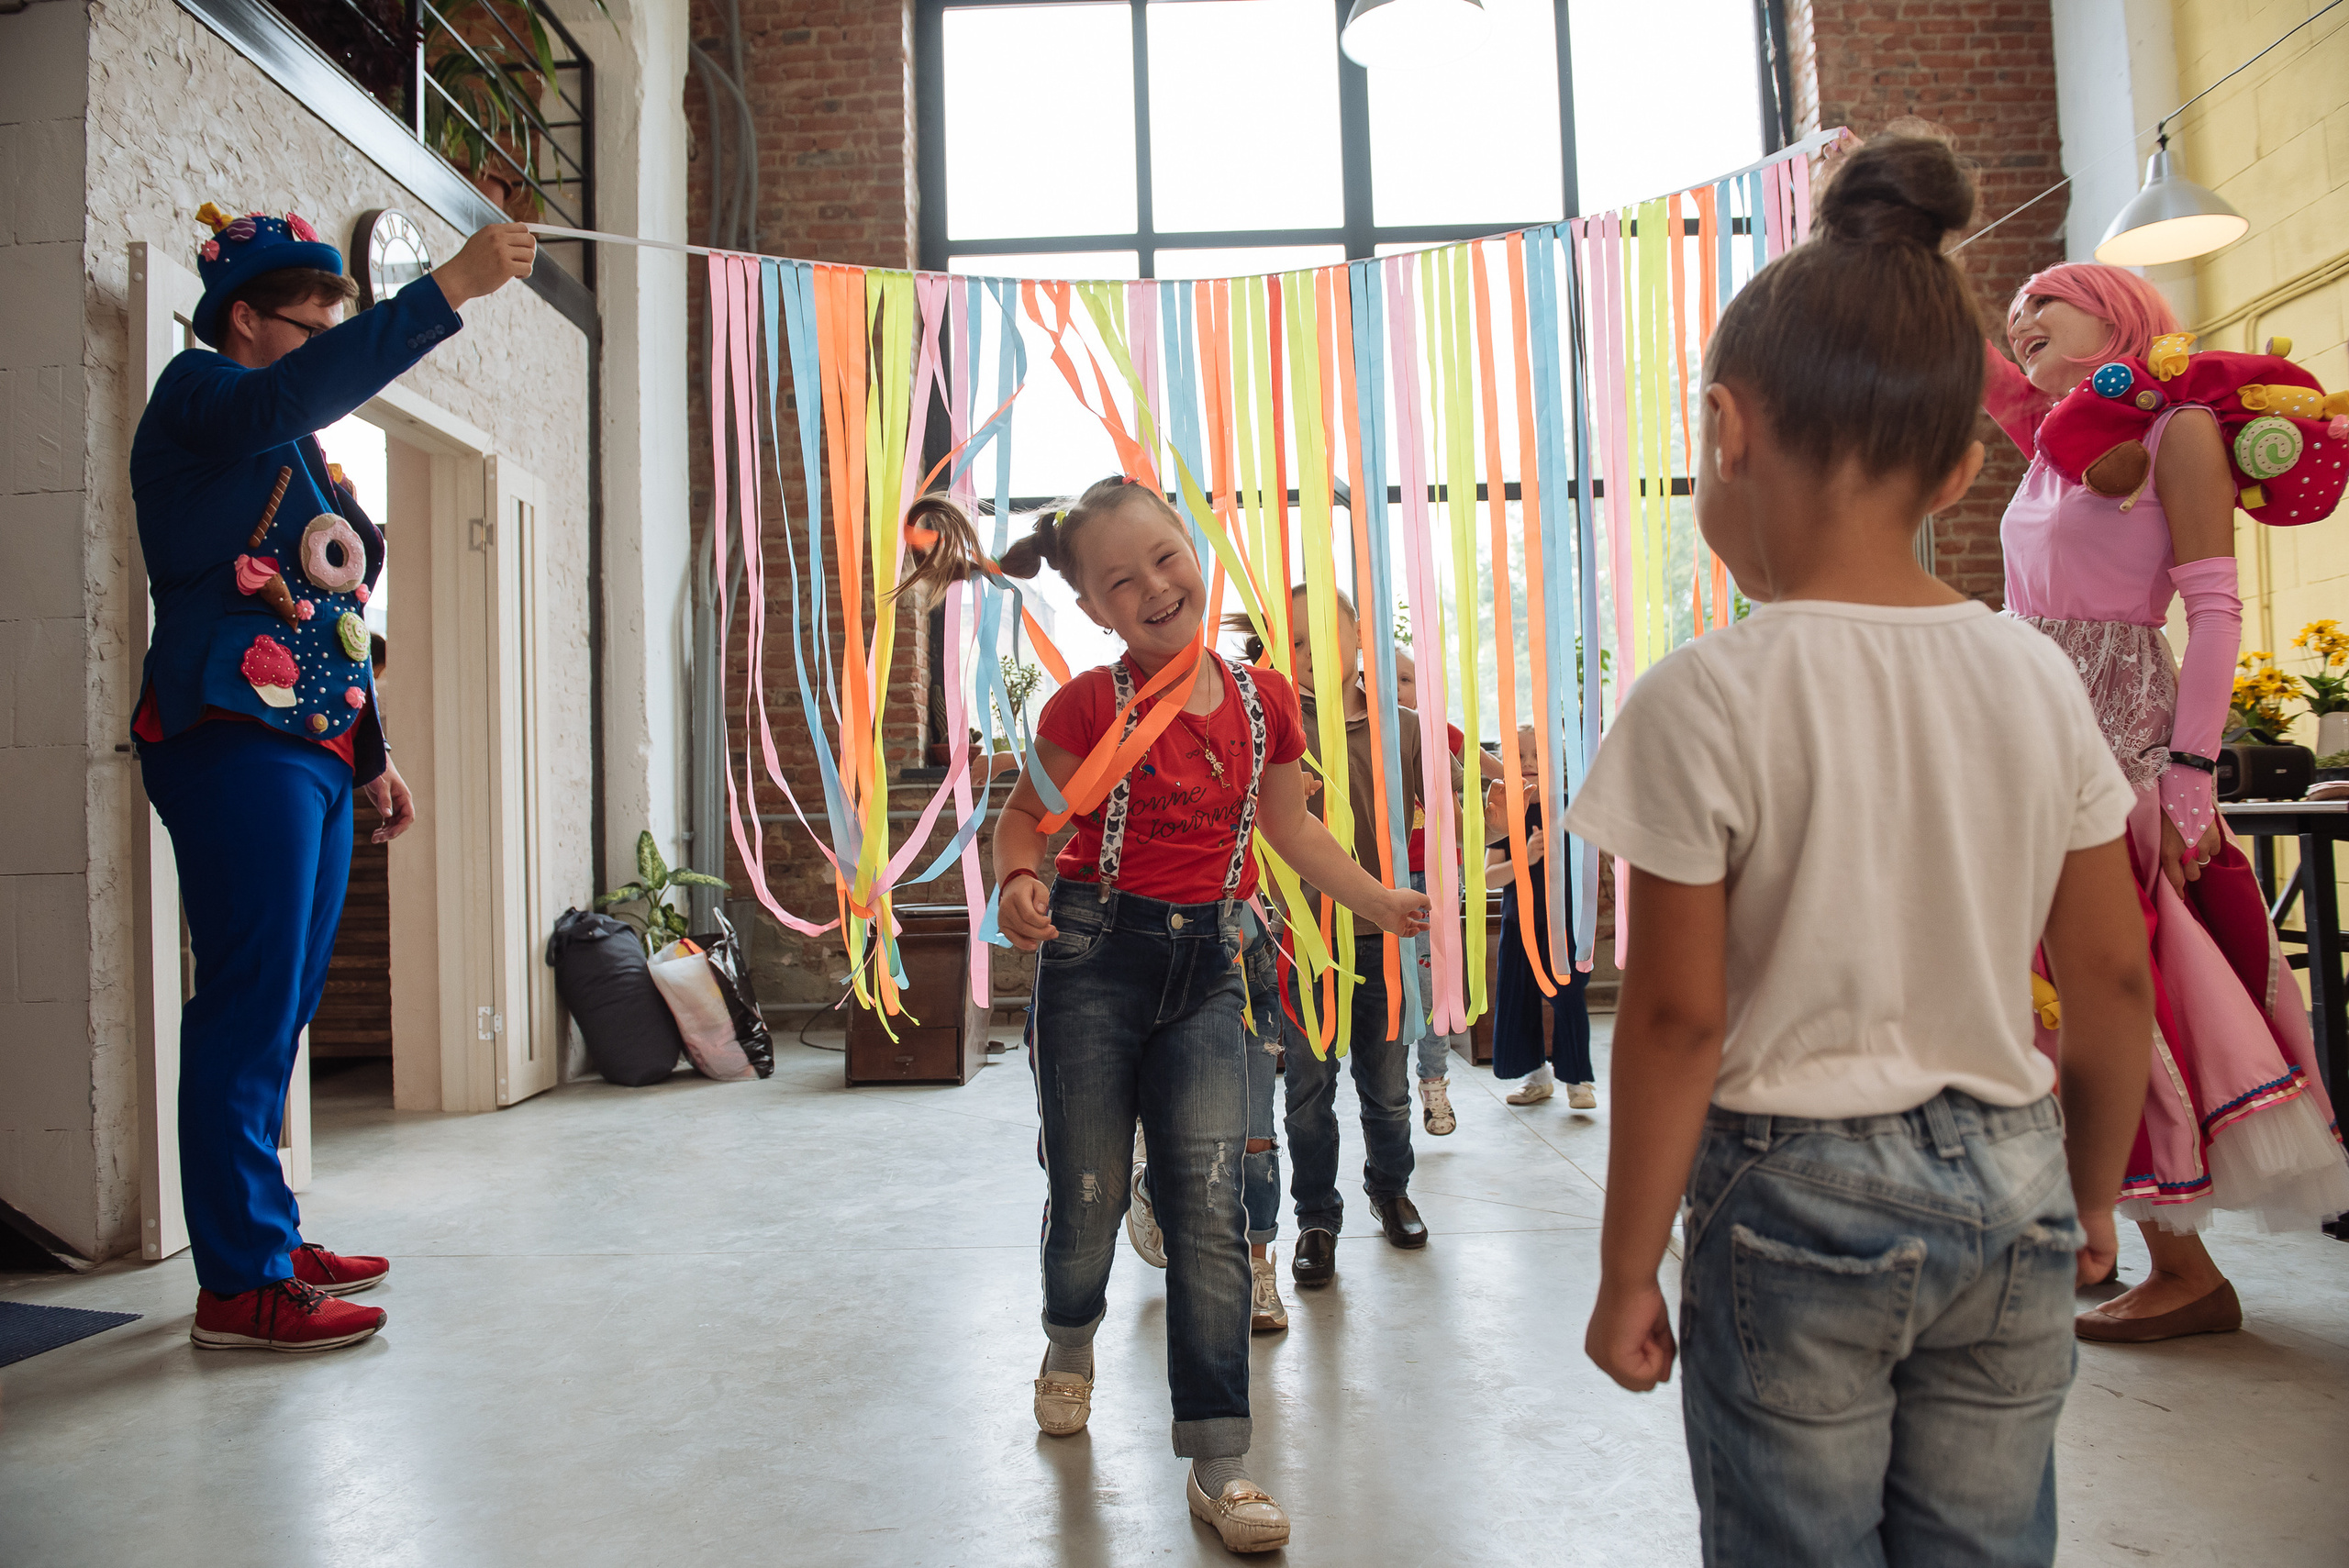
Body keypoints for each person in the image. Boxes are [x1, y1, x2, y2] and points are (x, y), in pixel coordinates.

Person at [1571, 135, 2155, 1565]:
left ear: (1725, 430)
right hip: (2016, 1177)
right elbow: (2111, 977)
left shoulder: (1703, 694)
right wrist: (2089, 1193)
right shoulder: (2033, 676)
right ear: (1962, 466)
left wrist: (1625, 1264)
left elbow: (1675, 1015)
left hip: (1797, 1199)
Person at [904, 476, 1428, 1555]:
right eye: (1119, 579)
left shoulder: (1264, 700)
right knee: (1088, 1195)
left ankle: (1222, 1460)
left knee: (1210, 1207)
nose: (1152, 586)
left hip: (1211, 967)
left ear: (1196, 551)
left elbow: (1291, 828)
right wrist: (1014, 881)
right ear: (1094, 608)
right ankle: (1068, 1338)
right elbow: (1022, 816)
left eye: (1165, 557)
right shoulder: (1085, 708)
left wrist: (1373, 897)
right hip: (1095, 959)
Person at [131, 203, 536, 1353]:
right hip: (228, 730)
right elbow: (286, 399)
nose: (319, 340)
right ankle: (241, 1282)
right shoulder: (202, 392)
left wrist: (372, 750)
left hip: (307, 743)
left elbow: (332, 616)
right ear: (244, 320)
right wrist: (445, 287)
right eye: (306, 323)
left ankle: (267, 1236)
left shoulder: (297, 444)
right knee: (250, 1001)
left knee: (284, 1006)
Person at [1987, 263, 2349, 1341]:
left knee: (2129, 985)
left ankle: (2183, 1269)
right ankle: (2098, 1231)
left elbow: (2215, 611)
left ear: (2116, 314)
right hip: (2036, 738)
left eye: (2041, 305)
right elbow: (1978, 371)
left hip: (2122, 747)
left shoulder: (2177, 427)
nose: (2020, 325)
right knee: (2047, 988)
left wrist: (2189, 778)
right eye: (2015, 317)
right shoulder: (2063, 440)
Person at [1279, 586, 1458, 1283]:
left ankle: (1390, 1188)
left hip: (1384, 939)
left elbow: (1444, 816)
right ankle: (1315, 1218)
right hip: (1304, 941)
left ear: (1361, 642)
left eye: (1327, 634)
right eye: (1296, 641)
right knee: (1307, 1092)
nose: (1313, 651)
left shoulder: (1402, 727)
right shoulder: (1279, 726)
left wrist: (1497, 811)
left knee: (1385, 1086)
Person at [1394, 650, 1500, 1134]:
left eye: (1407, 678)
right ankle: (1390, 1085)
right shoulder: (1362, 737)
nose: (1397, 687)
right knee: (1393, 987)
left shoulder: (1444, 734)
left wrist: (1521, 788)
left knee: (1432, 980)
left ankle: (1433, 1082)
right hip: (1382, 885)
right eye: (1384, 679)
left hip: (1436, 880)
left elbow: (1497, 770)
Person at [1484, 725, 1595, 1109]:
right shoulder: (1503, 809)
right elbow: (1487, 876)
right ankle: (1536, 1077)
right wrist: (1525, 859)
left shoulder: (1572, 804)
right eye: (1519, 756)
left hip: (1567, 922)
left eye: (1538, 755)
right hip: (1520, 923)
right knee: (1518, 998)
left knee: (1569, 995)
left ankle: (1577, 1077)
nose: (1529, 764)